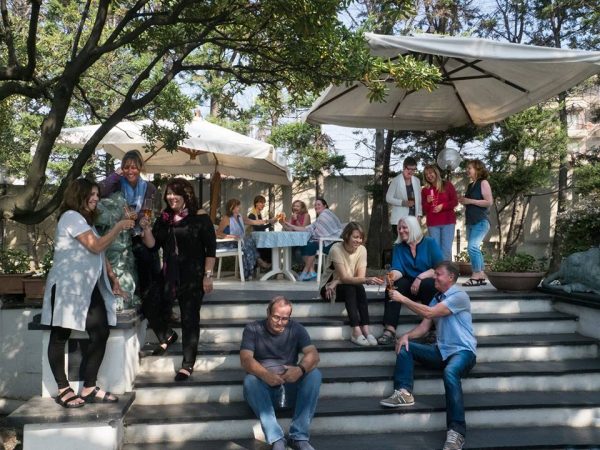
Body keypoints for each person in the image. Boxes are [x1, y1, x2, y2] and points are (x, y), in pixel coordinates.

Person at [41, 178, 135, 408]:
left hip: (87, 287)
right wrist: (119, 226)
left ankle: (89, 387)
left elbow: (98, 255)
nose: (95, 198)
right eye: (91, 194)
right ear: (78, 195)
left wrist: (113, 280)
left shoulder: (84, 220)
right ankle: (63, 389)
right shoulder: (71, 217)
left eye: (97, 194)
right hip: (67, 287)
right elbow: (96, 245)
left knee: (100, 332)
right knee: (60, 335)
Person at [380, 261, 477, 450]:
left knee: (450, 373)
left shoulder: (459, 295)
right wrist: (407, 336)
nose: (434, 277)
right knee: (406, 346)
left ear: (451, 277)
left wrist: (403, 299)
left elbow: (430, 312)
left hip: (463, 351)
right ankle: (403, 392)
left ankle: (456, 433)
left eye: (438, 274)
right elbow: (425, 326)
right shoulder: (437, 297)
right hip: (441, 351)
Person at [141, 178, 216, 381]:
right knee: (148, 301)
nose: (171, 197)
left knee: (190, 318)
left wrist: (208, 277)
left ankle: (187, 364)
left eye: (175, 193)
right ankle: (167, 335)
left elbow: (211, 250)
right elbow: (152, 245)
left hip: (193, 275)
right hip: (169, 274)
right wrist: (146, 228)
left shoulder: (200, 218)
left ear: (186, 195)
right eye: (169, 193)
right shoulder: (164, 218)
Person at [241, 296, 321, 450]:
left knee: (314, 374)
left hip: (290, 387)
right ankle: (277, 438)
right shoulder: (253, 329)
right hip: (264, 391)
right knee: (250, 381)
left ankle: (299, 437)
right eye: (276, 317)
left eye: (285, 318)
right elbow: (245, 360)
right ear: (268, 313)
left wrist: (300, 370)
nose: (280, 322)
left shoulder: (297, 329)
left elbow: (313, 355)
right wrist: (266, 375)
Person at [98, 149, 160, 307]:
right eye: (126, 167)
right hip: (118, 235)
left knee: (148, 261)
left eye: (134, 167)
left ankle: (150, 301)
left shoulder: (149, 188)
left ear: (140, 168)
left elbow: (149, 210)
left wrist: (136, 217)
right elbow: (100, 191)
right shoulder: (117, 183)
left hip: (138, 232)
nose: (130, 171)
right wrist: (115, 175)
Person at [377, 215, 443, 346]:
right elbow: (398, 269)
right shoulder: (399, 247)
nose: (401, 231)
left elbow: (439, 268)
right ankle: (389, 330)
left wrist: (420, 277)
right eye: (399, 228)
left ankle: (433, 330)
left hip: (426, 282)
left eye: (404, 228)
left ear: (413, 228)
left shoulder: (430, 243)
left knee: (430, 284)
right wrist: (390, 277)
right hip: (407, 284)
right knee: (393, 286)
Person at [319, 222, 384, 346]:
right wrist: (365, 279)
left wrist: (338, 281)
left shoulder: (362, 250)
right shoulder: (336, 249)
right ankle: (356, 331)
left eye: (360, 237)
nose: (358, 240)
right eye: (355, 237)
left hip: (343, 284)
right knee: (351, 287)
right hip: (329, 288)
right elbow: (346, 277)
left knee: (357, 286)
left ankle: (366, 328)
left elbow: (358, 278)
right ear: (347, 235)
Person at [283, 198, 342, 281]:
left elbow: (315, 230)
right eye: (315, 205)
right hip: (325, 241)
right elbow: (307, 228)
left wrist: (316, 237)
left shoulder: (325, 214)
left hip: (332, 243)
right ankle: (312, 272)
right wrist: (288, 224)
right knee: (306, 245)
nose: (316, 206)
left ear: (325, 206)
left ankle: (305, 272)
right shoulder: (321, 216)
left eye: (319, 204)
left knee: (309, 245)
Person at [458, 160, 493, 286]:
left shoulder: (483, 182)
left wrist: (470, 201)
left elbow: (489, 202)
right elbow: (470, 201)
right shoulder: (471, 185)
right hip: (471, 222)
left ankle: (476, 274)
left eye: (470, 168)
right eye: (467, 168)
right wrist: (463, 201)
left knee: (472, 247)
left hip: (481, 221)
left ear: (477, 169)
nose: (467, 170)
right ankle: (481, 275)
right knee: (475, 248)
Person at [217, 198, 265, 278]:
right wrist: (230, 236)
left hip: (239, 242)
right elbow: (217, 233)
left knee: (250, 241)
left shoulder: (239, 217)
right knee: (247, 242)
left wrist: (269, 221)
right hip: (229, 243)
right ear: (232, 207)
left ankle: (248, 271)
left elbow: (253, 222)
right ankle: (254, 266)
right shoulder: (226, 219)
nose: (239, 208)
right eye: (237, 206)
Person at [422, 164, 458, 261]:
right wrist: (428, 202)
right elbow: (424, 208)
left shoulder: (447, 185)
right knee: (435, 250)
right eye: (426, 174)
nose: (429, 176)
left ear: (436, 173)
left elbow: (455, 201)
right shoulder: (425, 190)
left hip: (448, 222)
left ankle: (447, 274)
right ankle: (437, 273)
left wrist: (443, 206)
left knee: (446, 250)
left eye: (430, 173)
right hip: (433, 223)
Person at [386, 156, 422, 240]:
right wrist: (403, 203)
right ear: (403, 167)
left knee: (412, 246)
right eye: (409, 169)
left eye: (413, 170)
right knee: (400, 246)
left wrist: (419, 215)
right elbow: (388, 198)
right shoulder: (396, 180)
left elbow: (419, 200)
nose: (411, 172)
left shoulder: (417, 180)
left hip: (413, 220)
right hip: (399, 220)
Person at [248, 195, 277, 268]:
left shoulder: (258, 214)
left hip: (259, 239)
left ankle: (270, 267)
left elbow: (260, 227)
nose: (263, 205)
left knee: (272, 247)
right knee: (271, 249)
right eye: (261, 202)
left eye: (264, 203)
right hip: (253, 241)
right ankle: (269, 266)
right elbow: (258, 228)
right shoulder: (252, 215)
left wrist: (270, 224)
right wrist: (270, 224)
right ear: (256, 203)